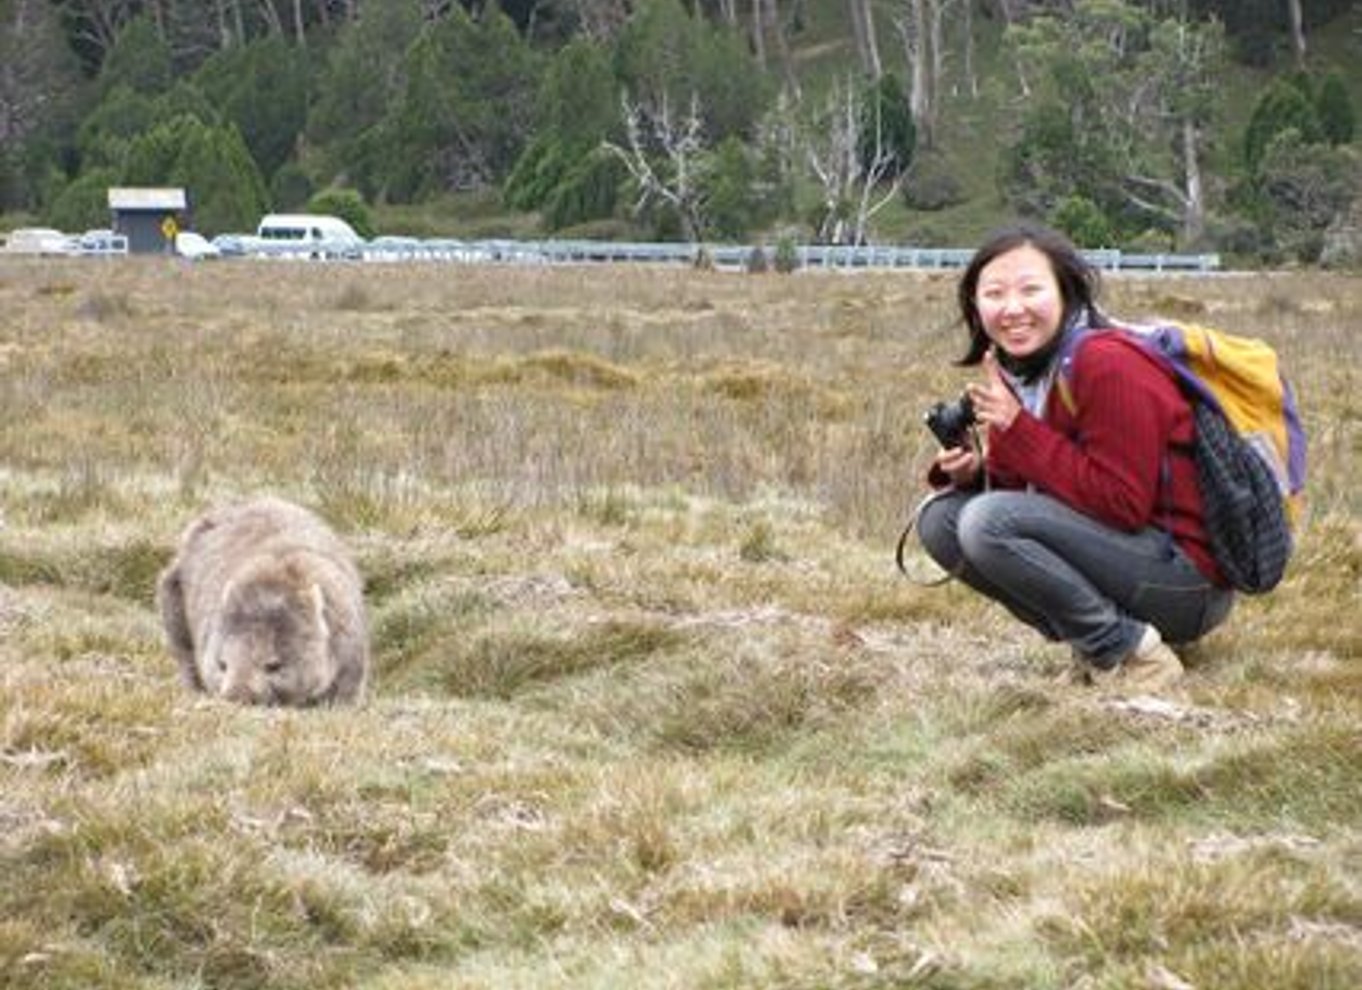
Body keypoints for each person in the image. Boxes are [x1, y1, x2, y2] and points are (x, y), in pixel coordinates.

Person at [913, 221, 1234, 694]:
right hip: (1129, 559)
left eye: (1030, 290)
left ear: (1066, 294)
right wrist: (974, 472)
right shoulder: (1024, 371)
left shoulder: (1108, 364)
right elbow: (1032, 492)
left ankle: (1131, 654)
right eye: (994, 293)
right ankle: (1095, 644)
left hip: (1187, 584)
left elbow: (1121, 504)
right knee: (942, 520)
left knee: (988, 523)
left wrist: (1017, 428)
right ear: (974, 305)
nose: (1012, 308)